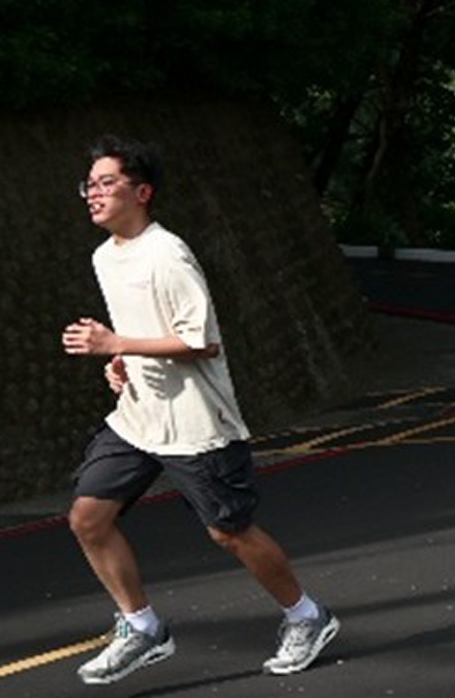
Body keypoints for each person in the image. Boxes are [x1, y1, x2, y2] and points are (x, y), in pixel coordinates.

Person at [62, 137, 339, 686]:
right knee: (88, 517)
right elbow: (144, 329)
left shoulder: (167, 255)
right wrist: (119, 360)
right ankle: (143, 628)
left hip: (196, 424)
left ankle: (307, 617)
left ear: (142, 192)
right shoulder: (104, 256)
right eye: (88, 185)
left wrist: (116, 341)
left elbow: (200, 340)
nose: (93, 193)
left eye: (106, 183)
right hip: (139, 418)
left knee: (229, 532)